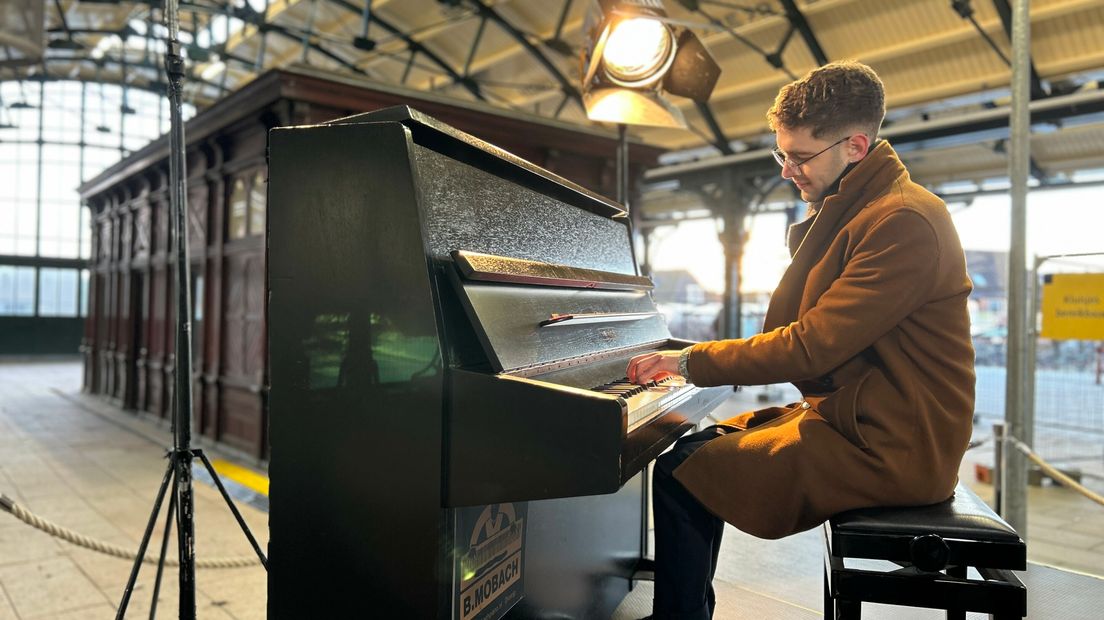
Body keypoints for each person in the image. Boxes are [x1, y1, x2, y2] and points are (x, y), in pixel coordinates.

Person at [626, 61, 975, 620]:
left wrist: (688, 362)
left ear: (856, 146)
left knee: (680, 475)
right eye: (780, 154)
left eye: (800, 156)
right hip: (864, 421)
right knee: (692, 451)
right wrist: (689, 358)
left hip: (894, 447)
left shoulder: (902, 220)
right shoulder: (862, 209)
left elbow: (810, 346)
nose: (787, 170)